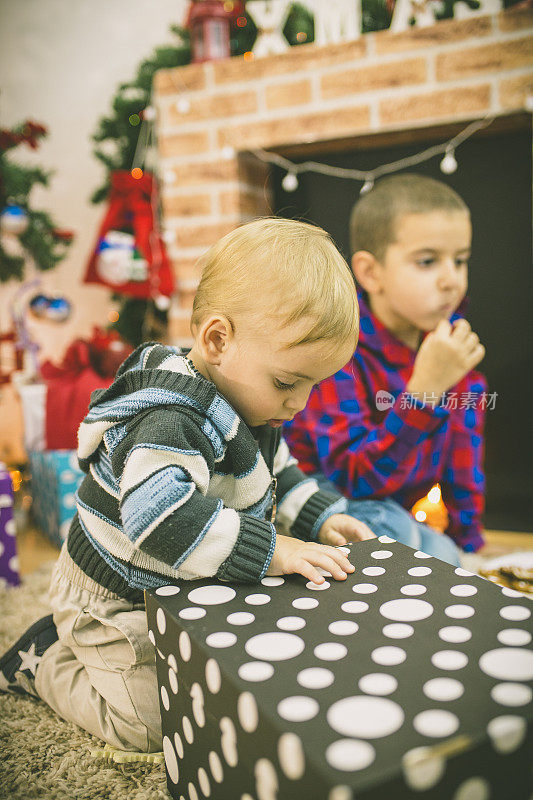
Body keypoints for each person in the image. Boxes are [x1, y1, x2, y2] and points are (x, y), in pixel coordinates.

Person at [0, 217, 375, 754]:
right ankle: (43, 661)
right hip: (116, 594)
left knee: (242, 676)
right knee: (152, 724)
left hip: (179, 583)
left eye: (314, 384)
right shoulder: (172, 419)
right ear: (217, 340)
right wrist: (275, 550)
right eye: (288, 382)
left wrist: (318, 517)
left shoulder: (252, 402)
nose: (299, 403)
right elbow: (161, 520)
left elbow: (279, 474)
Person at [284, 174, 487, 565]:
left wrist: (469, 545)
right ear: (370, 273)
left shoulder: (451, 346)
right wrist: (424, 393)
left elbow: (465, 462)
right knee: (391, 530)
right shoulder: (339, 349)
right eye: (428, 261)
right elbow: (353, 479)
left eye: (460, 260)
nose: (451, 279)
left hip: (392, 509)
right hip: (322, 501)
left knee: (444, 552)